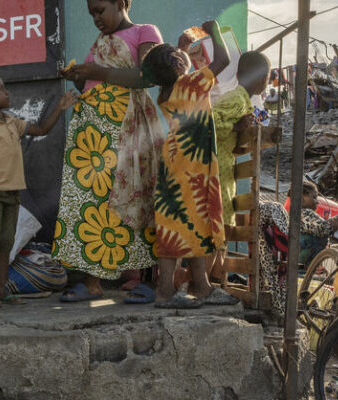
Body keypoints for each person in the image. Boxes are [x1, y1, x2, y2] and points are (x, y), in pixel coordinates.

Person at [54, 0, 166, 304]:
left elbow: (147, 76)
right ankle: (91, 282)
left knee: (136, 196)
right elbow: (92, 80)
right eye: (91, 13)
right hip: (93, 133)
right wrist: (78, 75)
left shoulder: (145, 32)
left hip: (127, 127)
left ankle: (146, 279)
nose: (96, 18)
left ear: (121, 3)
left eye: (100, 10)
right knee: (91, 199)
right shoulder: (100, 42)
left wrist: (98, 71)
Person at [142, 20, 239, 308]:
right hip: (192, 165)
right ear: (179, 66)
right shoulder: (191, 83)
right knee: (186, 223)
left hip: (176, 163)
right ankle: (167, 293)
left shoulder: (167, 91)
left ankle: (201, 286)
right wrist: (215, 30)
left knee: (187, 224)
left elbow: (175, 67)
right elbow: (222, 59)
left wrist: (182, 48)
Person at [0, 73, 77, 308]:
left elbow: (42, 129)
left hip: (13, 193)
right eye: (1, 89)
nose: (7, 92)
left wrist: (60, 107)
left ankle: (1, 291)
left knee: (6, 242)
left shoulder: (12, 122)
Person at [209, 51, 271, 272]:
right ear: (263, 79)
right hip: (217, 169)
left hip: (221, 166)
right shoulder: (236, 100)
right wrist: (234, 128)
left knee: (222, 220)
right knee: (220, 223)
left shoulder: (240, 100)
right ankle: (206, 280)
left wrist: (236, 139)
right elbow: (209, 124)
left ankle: (212, 279)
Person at [257, 181, 338, 314]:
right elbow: (325, 228)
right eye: (314, 197)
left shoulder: (288, 213)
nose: (317, 202)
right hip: (300, 260)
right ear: (302, 197)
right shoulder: (302, 213)